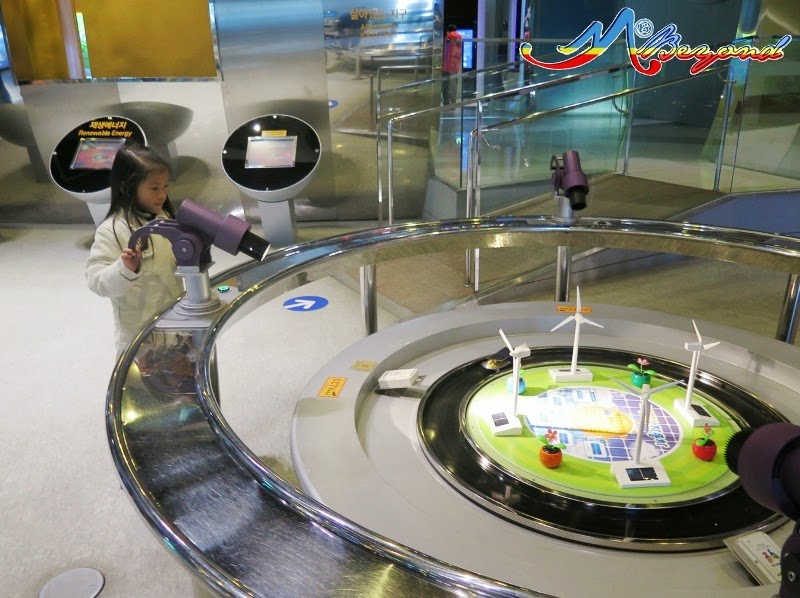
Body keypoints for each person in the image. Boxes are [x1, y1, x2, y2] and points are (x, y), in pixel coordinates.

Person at [86, 143, 183, 356]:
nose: (162, 195)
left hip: (175, 329)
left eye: (165, 187)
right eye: (154, 188)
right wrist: (125, 269)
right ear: (127, 188)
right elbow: (96, 281)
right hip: (138, 339)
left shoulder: (167, 220)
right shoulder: (111, 230)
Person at [442, 24, 463, 105]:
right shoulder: (459, 37)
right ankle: (453, 102)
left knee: (445, 84)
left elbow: (446, 51)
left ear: (448, 31)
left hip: (447, 65)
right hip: (455, 65)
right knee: (454, 84)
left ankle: (446, 101)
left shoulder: (448, 37)